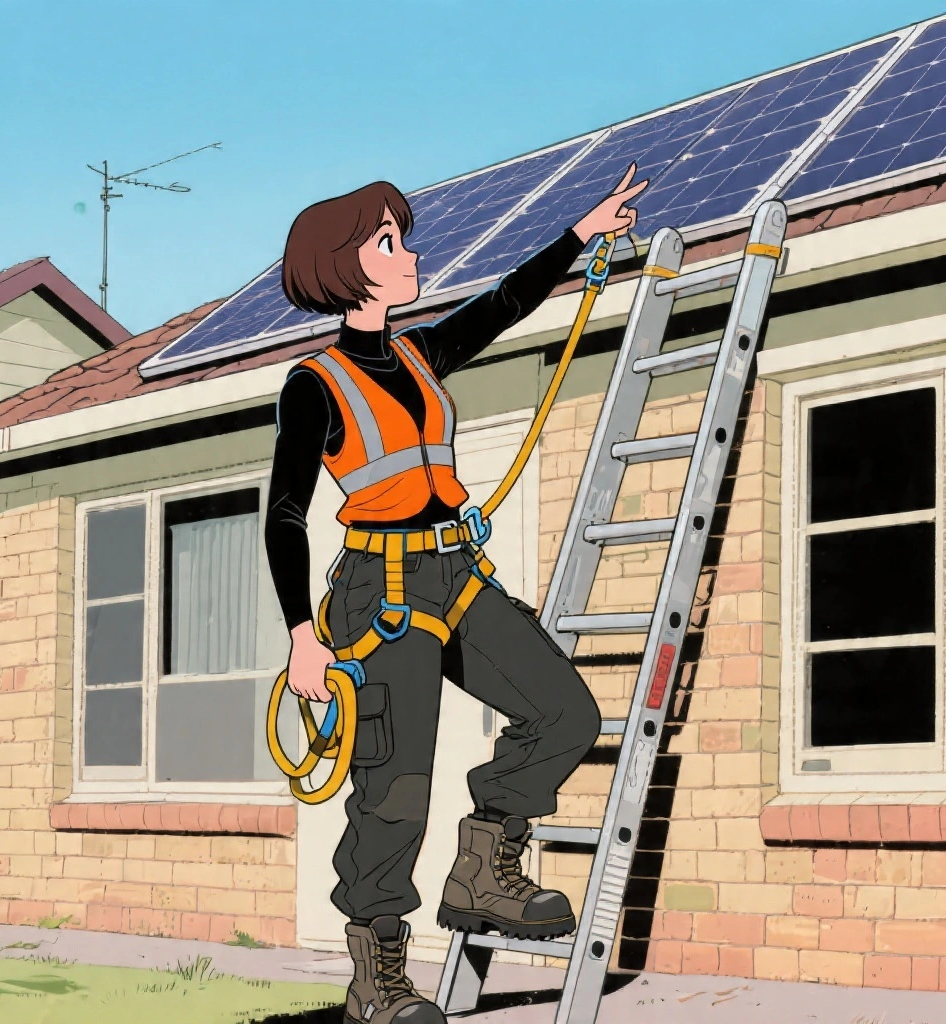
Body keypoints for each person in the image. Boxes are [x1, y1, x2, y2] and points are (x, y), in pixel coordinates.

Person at [265, 164, 647, 1024]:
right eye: (388, 242)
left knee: (565, 713)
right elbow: (286, 514)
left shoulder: (418, 351)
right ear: (342, 266)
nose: (409, 254)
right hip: (380, 589)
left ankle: (485, 865)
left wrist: (579, 235)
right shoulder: (314, 385)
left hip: (455, 572)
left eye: (400, 238)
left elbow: (506, 303)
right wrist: (300, 634)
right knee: (394, 787)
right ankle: (379, 976)